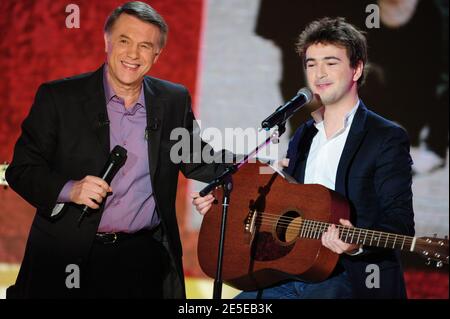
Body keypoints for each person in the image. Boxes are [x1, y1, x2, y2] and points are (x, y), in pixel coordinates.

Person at [6, 1, 227, 299]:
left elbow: (200, 158)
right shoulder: (59, 98)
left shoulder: (172, 100)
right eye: (125, 41)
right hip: (69, 256)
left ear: (157, 54)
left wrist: (265, 164)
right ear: (107, 41)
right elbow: (21, 170)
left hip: (142, 259)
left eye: (146, 46)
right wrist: (69, 189)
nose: (133, 54)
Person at [194, 17, 415, 299]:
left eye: (331, 63)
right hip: (290, 273)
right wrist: (226, 203)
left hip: (348, 275)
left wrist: (354, 244)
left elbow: (400, 222)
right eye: (311, 64)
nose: (318, 73)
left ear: (357, 69)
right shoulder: (304, 134)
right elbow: (286, 201)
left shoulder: (385, 136)